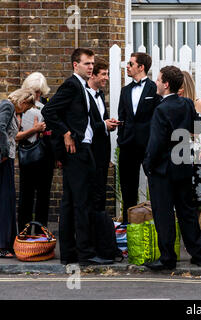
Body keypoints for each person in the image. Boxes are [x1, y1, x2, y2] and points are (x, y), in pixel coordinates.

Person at [42, 48, 113, 266]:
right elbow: (49, 111)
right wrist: (65, 134)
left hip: (84, 149)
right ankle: (84, 254)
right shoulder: (72, 85)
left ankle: (71, 254)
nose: (91, 67)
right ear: (75, 65)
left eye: (92, 64)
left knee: (71, 202)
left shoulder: (82, 87)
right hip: (77, 151)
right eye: (87, 64)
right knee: (81, 202)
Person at [143, 65, 201, 270]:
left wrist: (148, 164)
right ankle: (198, 254)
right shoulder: (188, 104)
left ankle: (168, 258)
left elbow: (155, 143)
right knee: (187, 211)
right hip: (183, 165)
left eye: (159, 79)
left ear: (166, 84)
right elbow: (197, 128)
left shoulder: (161, 109)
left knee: (164, 214)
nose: (156, 82)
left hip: (163, 169)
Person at [117, 52, 161, 225]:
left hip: (148, 145)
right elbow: (123, 116)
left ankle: (156, 225)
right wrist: (121, 138)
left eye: (130, 63)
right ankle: (129, 227)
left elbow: (158, 117)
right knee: (128, 188)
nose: (127, 66)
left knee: (156, 185)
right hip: (127, 145)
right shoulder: (125, 90)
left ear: (141, 67)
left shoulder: (154, 89)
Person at [16, 72, 54, 234]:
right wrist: (34, 129)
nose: (36, 95)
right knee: (26, 195)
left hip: (46, 154)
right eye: (33, 91)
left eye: (38, 92)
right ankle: (23, 233)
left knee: (44, 195)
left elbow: (54, 129)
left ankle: (40, 233)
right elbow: (15, 134)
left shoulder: (47, 104)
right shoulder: (21, 105)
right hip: (27, 153)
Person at [0, 88, 36, 258]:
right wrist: (5, 153)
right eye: (27, 108)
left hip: (6, 161)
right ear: (22, 102)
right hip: (3, 160)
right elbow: (0, 129)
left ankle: (7, 243)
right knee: (5, 202)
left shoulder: (10, 109)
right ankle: (2, 246)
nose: (26, 111)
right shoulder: (7, 106)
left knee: (7, 202)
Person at [86, 57, 119, 212]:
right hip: (89, 152)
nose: (107, 77)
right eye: (104, 74)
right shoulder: (84, 95)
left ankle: (97, 231)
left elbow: (97, 121)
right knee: (90, 194)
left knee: (100, 192)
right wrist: (103, 125)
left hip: (102, 153)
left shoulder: (100, 94)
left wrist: (107, 124)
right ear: (92, 75)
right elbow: (84, 124)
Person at [178, 71, 201, 216]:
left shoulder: (198, 103)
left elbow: (196, 131)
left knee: (195, 198)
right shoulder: (174, 102)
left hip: (193, 153)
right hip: (178, 153)